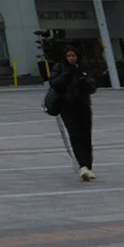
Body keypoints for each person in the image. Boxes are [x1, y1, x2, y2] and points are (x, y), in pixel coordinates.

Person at [49, 47, 100, 181]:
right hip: (66, 106)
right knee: (75, 134)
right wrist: (67, 74)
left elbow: (93, 87)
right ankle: (82, 165)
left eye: (73, 55)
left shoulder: (84, 68)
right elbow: (54, 83)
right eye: (68, 56)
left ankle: (88, 165)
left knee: (86, 135)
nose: (71, 58)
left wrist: (83, 80)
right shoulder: (60, 67)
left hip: (83, 105)